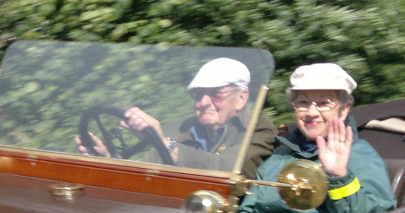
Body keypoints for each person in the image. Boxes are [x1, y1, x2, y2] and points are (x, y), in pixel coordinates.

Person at [228, 63, 396, 213]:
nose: (311, 112)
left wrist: (339, 177)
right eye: (303, 102)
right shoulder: (280, 155)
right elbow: (249, 210)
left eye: (324, 103)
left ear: (344, 109)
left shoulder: (359, 154)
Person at [75, 57, 276, 177]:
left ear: (241, 98)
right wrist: (107, 159)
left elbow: (229, 169)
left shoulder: (258, 128)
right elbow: (146, 172)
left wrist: (166, 145)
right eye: (198, 95)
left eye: (216, 93)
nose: (204, 102)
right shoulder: (181, 128)